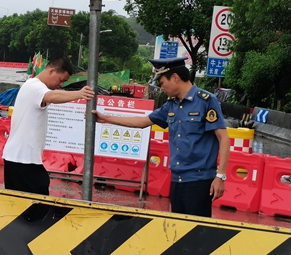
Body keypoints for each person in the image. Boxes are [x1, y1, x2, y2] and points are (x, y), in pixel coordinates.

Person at [93, 57, 230, 217]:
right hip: (177, 180)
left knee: (197, 230)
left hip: (199, 181)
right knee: (178, 227)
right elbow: (142, 122)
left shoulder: (206, 101)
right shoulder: (171, 105)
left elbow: (224, 139)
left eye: (162, 82)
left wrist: (220, 176)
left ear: (175, 77)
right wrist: (106, 118)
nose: (161, 87)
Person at [3, 57, 95, 195]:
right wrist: (80, 94)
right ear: (52, 71)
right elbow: (52, 96)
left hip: (21, 158)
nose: (61, 84)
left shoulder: (34, 87)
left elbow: (53, 96)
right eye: (61, 80)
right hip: (22, 158)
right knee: (36, 198)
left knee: (25, 199)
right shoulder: (34, 86)